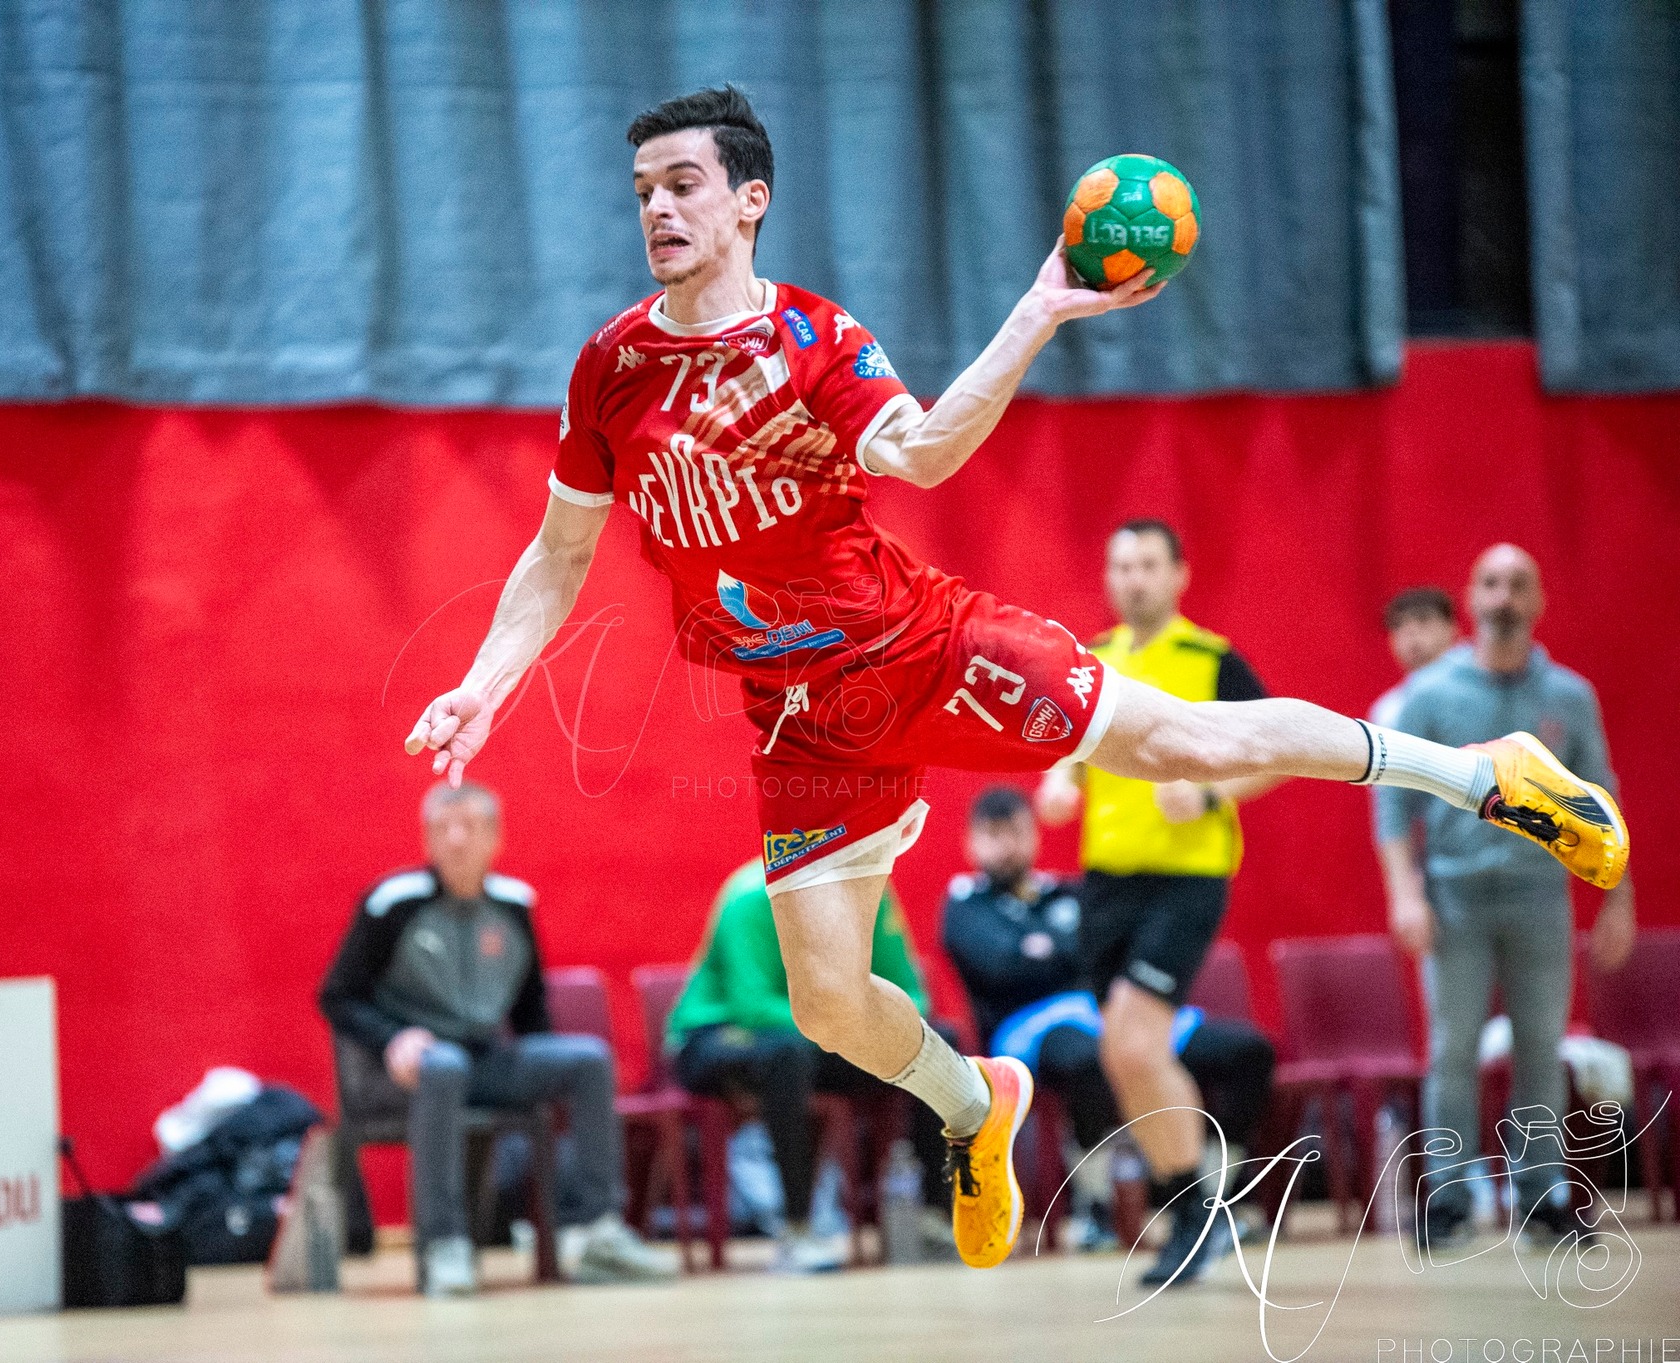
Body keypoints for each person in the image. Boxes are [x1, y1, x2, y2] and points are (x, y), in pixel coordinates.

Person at [401, 84, 1628, 1275]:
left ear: (747, 201)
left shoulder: (811, 339)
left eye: (682, 185)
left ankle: (1482, 773)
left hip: (924, 649)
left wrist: (1041, 306)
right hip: (795, 718)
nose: (657, 209)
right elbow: (559, 551)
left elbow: (924, 451)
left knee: (1187, 741)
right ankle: (970, 1104)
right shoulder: (609, 368)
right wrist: (482, 684)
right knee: (827, 1003)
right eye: (641, 191)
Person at [1030, 520, 1283, 1280]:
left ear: (1178, 574)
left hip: (1186, 879)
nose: (1133, 578)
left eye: (1147, 564)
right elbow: (1071, 754)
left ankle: (1193, 1211)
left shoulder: (1211, 662)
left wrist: (1207, 792)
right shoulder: (1093, 660)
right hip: (1105, 884)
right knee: (1121, 1053)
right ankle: (1194, 1201)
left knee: (1136, 1041)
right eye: (1121, 566)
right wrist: (1057, 783)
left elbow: (1275, 753)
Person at [1375, 545, 1637, 1249]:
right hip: (1453, 897)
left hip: (1538, 898)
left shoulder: (1568, 696)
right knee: (1452, 1048)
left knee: (1541, 1049)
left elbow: (1599, 796)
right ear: (1470, 595)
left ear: (1539, 599)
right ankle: (1451, 1197)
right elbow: (1394, 806)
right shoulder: (1430, 693)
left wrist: (1618, 897)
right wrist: (1405, 892)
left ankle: (1540, 1193)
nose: (1504, 595)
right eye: (1491, 581)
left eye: (1518, 583)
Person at [320, 782, 676, 1294]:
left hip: (484, 1062)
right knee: (444, 1066)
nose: (457, 839)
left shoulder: (513, 906)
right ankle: (444, 1245)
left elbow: (531, 1010)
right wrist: (392, 1039)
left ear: (495, 838)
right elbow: (338, 996)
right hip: (403, 1071)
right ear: (428, 841)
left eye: (469, 826)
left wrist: (540, 1072)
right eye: (443, 829)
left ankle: (598, 1233)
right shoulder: (391, 903)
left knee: (587, 1059)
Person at [947, 784, 1274, 1280]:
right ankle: (1097, 1205)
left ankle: (1216, 1191)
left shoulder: (1066, 891)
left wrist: (1046, 950)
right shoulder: (965, 903)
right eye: (993, 835)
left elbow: (1093, 954)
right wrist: (1059, 952)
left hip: (1101, 1010)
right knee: (1091, 1059)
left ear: (1034, 835)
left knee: (1246, 1051)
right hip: (1027, 1032)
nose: (1007, 846)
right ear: (972, 842)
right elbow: (1004, 967)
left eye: (1016, 831)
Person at [667, 859, 951, 1271]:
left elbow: (912, 995)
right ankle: (797, 1229)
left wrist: (884, 1028)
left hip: (817, 1035)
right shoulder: (751, 896)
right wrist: (849, 1024)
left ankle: (931, 1218)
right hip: (717, 1032)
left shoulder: (872, 892)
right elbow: (754, 1007)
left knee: (932, 1043)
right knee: (786, 1056)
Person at [1371, 586, 1460, 727]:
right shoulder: (1387, 710)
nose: (1410, 630)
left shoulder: (1487, 683)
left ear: (1451, 627)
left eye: (1422, 619)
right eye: (1398, 624)